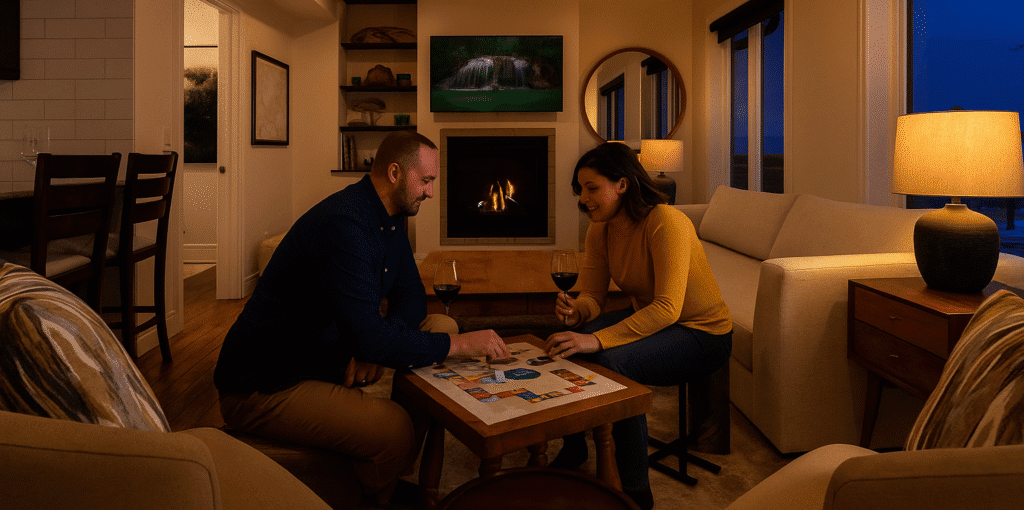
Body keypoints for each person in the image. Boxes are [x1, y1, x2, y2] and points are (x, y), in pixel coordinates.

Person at [214, 131, 509, 505]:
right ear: (395, 172)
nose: (431, 193)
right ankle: (370, 492)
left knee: (442, 325)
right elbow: (370, 333)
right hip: (268, 382)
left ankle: (381, 470)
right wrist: (462, 345)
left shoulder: (390, 215)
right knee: (399, 425)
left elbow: (412, 295)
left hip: (326, 355)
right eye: (427, 181)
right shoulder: (345, 224)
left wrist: (374, 346)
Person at [544, 142, 732, 510]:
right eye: (580, 190)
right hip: (659, 322)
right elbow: (594, 297)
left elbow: (667, 308)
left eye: (592, 188)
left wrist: (597, 340)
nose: (583, 199)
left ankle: (635, 492)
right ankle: (575, 445)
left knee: (613, 364)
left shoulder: (667, 222)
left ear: (623, 185)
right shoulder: (600, 229)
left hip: (703, 334)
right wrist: (577, 313)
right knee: (566, 341)